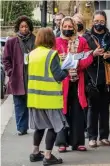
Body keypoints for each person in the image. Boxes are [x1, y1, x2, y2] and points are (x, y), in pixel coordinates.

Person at [55, 16, 104, 152]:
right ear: (61, 27)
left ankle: (77, 142)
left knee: (78, 111)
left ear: (75, 28)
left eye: (70, 27)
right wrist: (64, 64)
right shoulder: (57, 41)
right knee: (62, 111)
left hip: (78, 81)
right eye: (65, 27)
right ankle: (62, 142)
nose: (67, 29)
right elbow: (53, 61)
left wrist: (76, 64)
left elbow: (88, 58)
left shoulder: (82, 41)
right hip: (63, 82)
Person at [28, 27, 68, 165]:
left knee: (40, 127)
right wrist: (67, 68)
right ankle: (48, 156)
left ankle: (35, 153)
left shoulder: (31, 54)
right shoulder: (52, 55)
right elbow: (59, 76)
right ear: (51, 39)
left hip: (34, 98)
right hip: (50, 99)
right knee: (53, 127)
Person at [83, 10, 110, 148]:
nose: (99, 24)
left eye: (101, 21)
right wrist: (93, 53)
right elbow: (81, 54)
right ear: (92, 22)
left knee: (104, 108)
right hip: (91, 77)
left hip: (108, 77)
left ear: (105, 22)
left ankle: (104, 136)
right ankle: (92, 137)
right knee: (92, 108)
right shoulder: (86, 37)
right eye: (96, 21)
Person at [3, 15, 36, 136]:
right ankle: (21, 128)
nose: (24, 29)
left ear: (29, 27)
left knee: (31, 104)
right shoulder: (11, 41)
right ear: (18, 27)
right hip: (17, 77)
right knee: (19, 104)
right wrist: (10, 72)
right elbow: (6, 59)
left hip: (32, 76)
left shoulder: (35, 40)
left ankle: (34, 125)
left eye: (26, 26)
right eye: (22, 26)